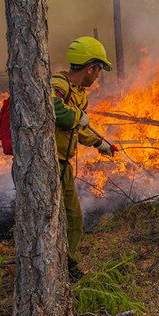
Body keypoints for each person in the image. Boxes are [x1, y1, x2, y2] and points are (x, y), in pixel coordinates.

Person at [53, 36, 117, 280]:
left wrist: (101, 143)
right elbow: (52, 108)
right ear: (90, 68)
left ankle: (65, 265)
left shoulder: (79, 94)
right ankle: (58, 268)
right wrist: (75, 117)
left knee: (73, 218)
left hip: (62, 164)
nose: (98, 76)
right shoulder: (57, 84)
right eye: (99, 70)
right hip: (46, 164)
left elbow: (79, 128)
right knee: (51, 219)